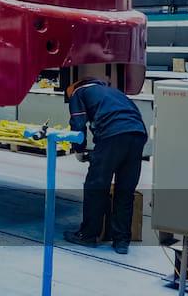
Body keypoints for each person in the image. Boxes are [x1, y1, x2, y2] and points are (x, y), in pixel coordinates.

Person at [63, 77, 147, 255]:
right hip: (138, 134)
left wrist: (78, 149)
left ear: (73, 89)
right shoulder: (113, 92)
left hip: (112, 135)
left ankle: (88, 235)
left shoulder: (78, 92)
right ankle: (122, 241)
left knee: (96, 186)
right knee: (125, 190)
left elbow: (78, 124)